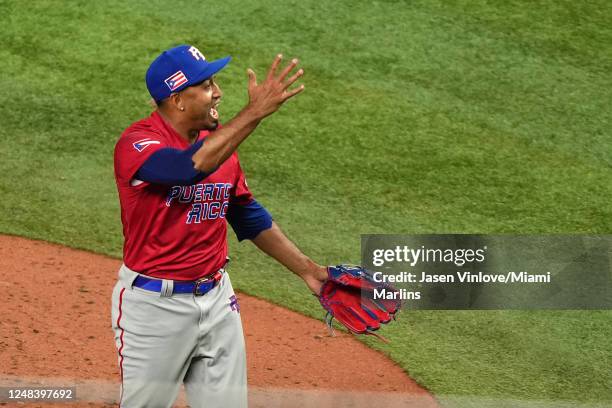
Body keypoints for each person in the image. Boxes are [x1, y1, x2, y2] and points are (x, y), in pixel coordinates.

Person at [111, 44, 328, 408]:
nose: (219, 92)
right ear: (178, 99)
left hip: (218, 301)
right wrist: (255, 112)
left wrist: (309, 272)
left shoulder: (218, 146)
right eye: (207, 84)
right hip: (155, 308)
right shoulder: (137, 143)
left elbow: (245, 213)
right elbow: (184, 168)